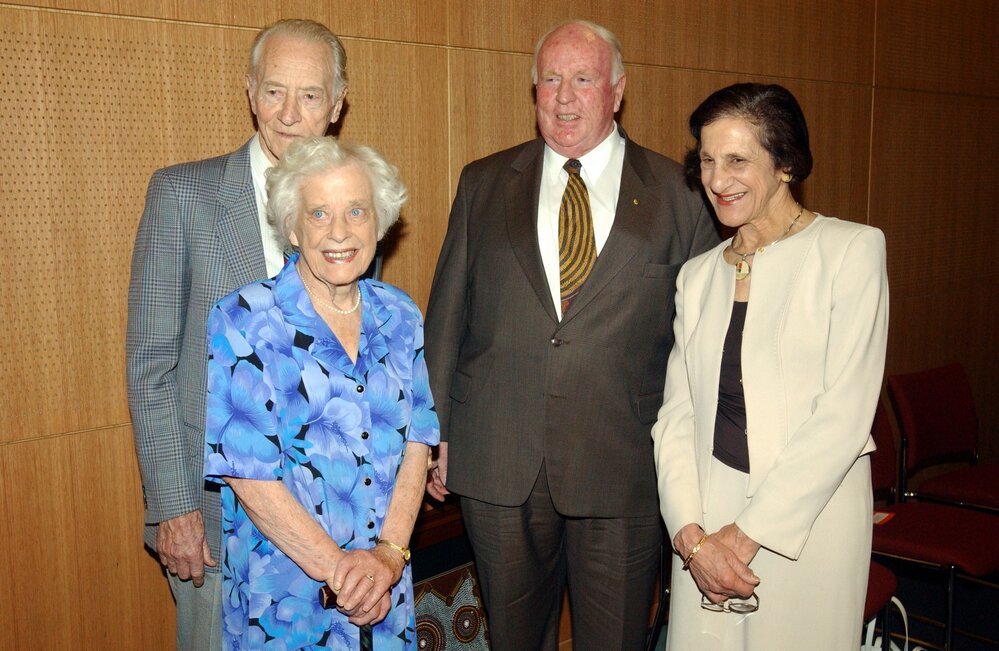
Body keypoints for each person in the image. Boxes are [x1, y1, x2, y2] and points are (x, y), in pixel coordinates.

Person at [424, 19, 718, 650]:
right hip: (498, 458)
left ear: (616, 90)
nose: (562, 97)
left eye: (582, 79)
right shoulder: (483, 183)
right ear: (533, 92)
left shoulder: (680, 195)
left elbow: (703, 348)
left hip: (624, 463)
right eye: (550, 80)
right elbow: (447, 316)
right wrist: (434, 433)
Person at [126, 19, 348, 649]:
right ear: (250, 91)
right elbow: (152, 365)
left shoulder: (351, 213)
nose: (288, 114)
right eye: (274, 91)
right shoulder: (183, 197)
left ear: (336, 105)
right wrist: (174, 506)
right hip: (216, 527)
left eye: (309, 96)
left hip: (328, 528)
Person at [652, 83, 889, 649]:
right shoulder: (698, 275)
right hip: (707, 523)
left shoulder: (850, 252)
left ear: (785, 164)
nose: (716, 179)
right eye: (707, 160)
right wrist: (691, 535)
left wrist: (748, 533)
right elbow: (676, 420)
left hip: (809, 519)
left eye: (737, 160)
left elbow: (845, 416)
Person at [203, 136, 438, 649]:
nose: (340, 232)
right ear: (291, 226)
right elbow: (250, 479)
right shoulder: (243, 321)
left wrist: (389, 556)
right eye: (319, 214)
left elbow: (419, 444)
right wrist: (346, 575)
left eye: (357, 211)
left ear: (380, 222)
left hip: (385, 590)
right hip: (288, 601)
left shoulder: (401, 317)